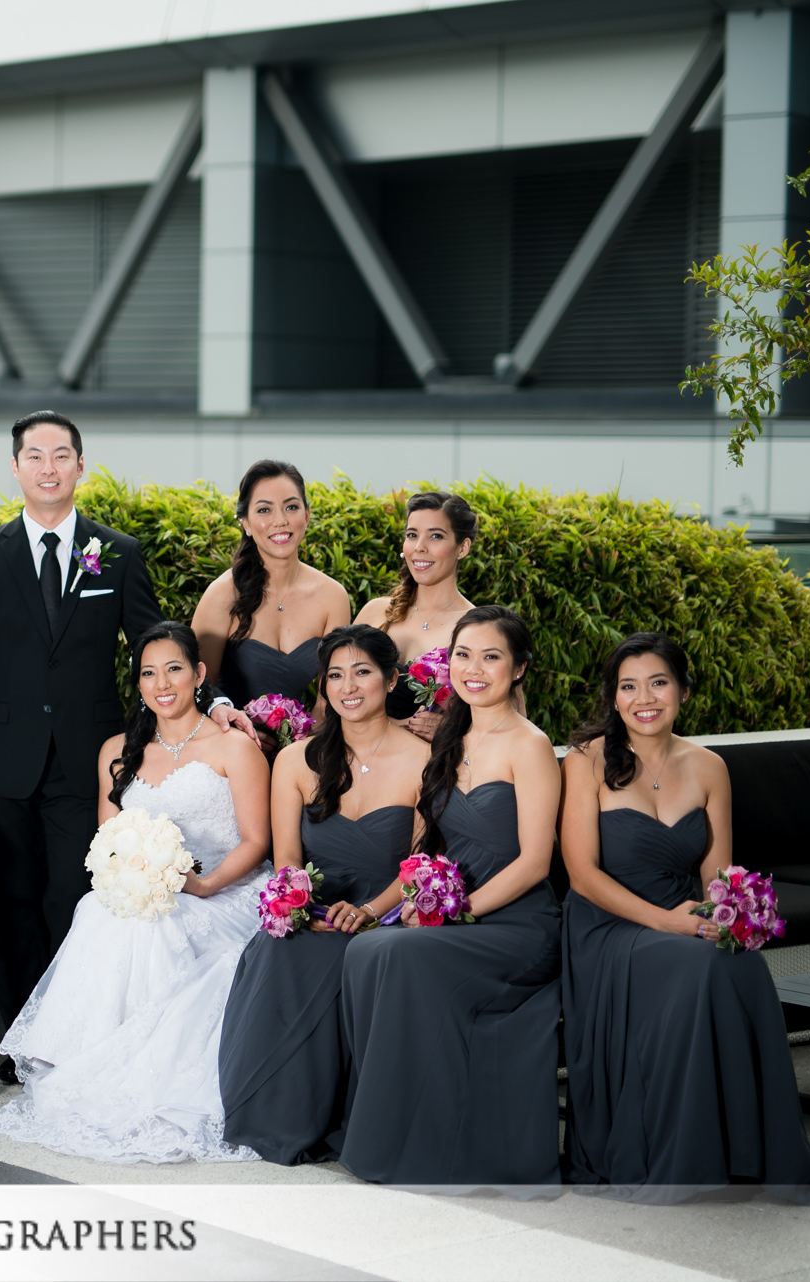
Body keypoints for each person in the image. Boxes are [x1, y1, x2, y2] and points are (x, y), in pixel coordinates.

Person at [0, 411, 251, 1079]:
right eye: (35, 455)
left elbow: (157, 647)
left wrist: (217, 702)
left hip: (92, 758)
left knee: (72, 898)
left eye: (62, 455)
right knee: (12, 901)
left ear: (81, 466)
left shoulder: (117, 553)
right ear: (17, 468)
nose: (48, 467)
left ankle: (72, 1035)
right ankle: (21, 1041)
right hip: (3, 759)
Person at [560, 633, 810, 1204]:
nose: (644, 697)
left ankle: (760, 1155)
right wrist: (669, 924)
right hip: (605, 925)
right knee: (699, 965)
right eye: (628, 686)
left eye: (659, 682)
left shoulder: (710, 767)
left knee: (737, 962)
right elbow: (582, 875)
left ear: (684, 692)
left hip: (679, 916)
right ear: (614, 698)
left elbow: (718, 880)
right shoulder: (587, 760)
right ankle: (680, 1158)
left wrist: (726, 919)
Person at [0, 622, 272, 1163]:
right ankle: (96, 1067)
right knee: (97, 908)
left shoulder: (234, 746)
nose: (162, 683)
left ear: (200, 674)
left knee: (159, 924)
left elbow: (257, 841)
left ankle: (149, 1078)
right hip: (153, 893)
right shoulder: (118, 751)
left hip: (228, 890)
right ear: (137, 683)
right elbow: (108, 843)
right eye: (148, 672)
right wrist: (130, 879)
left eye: (175, 669)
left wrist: (204, 884)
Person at [338, 605, 563, 1194]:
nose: (475, 668)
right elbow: (426, 847)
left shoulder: (530, 746)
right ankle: (394, 1129)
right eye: (463, 654)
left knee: (397, 955)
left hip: (516, 923)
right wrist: (415, 898)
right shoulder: (446, 739)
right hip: (452, 916)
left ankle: (425, 1142)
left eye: (492, 657)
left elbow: (535, 861)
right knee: (366, 952)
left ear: (518, 670)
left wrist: (458, 911)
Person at [218, 624, 424, 1164]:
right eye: (335, 674)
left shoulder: (425, 758)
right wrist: (299, 904)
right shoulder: (295, 759)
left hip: (388, 907)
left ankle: (345, 1114)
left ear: (391, 679)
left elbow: (424, 861)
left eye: (362, 672)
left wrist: (371, 911)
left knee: (358, 953)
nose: (347, 686)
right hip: (314, 907)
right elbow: (286, 858)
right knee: (281, 949)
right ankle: (276, 1113)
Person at [193, 460, 350, 719]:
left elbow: (330, 699)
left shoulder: (332, 597)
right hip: (227, 741)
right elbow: (198, 688)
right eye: (265, 510)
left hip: (302, 745)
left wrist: (302, 745)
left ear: (307, 516)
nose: (280, 520)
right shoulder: (221, 595)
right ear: (246, 523)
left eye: (291, 507)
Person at [354, 490, 479, 741]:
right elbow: (331, 699)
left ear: (462, 547)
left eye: (436, 536)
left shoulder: (479, 628)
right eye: (412, 535)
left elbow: (508, 723)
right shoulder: (375, 612)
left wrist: (452, 732)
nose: (419, 547)